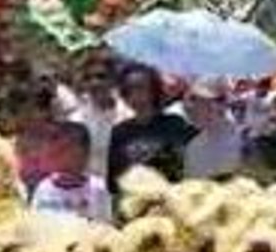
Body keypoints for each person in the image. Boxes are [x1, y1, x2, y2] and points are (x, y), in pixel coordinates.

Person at [107, 65, 197, 193]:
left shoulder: (176, 125)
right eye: (129, 90)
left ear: (154, 89)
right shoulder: (119, 133)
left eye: (141, 88)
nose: (136, 95)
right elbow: (114, 181)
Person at [31, 122, 113, 223]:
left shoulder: (98, 188)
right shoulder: (44, 188)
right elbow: (36, 224)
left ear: (86, 153)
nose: (58, 152)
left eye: (68, 147)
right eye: (61, 149)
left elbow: (105, 226)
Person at [69, 54, 132, 179]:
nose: (95, 83)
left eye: (101, 77)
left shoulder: (129, 115)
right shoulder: (76, 120)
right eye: (88, 78)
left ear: (113, 80)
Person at [182, 78, 242, 180]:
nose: (195, 109)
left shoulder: (243, 142)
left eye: (202, 103)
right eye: (195, 102)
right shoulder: (192, 147)